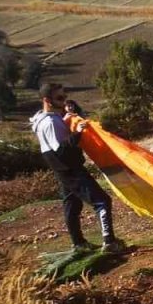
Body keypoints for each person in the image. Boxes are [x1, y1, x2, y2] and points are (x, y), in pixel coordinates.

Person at [30, 83, 126, 255]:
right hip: (70, 169)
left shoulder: (43, 119)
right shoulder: (51, 122)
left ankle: (78, 244)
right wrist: (78, 133)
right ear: (47, 100)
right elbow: (61, 150)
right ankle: (109, 241)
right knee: (102, 201)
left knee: (72, 206)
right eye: (59, 98)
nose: (64, 101)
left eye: (64, 97)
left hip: (62, 170)